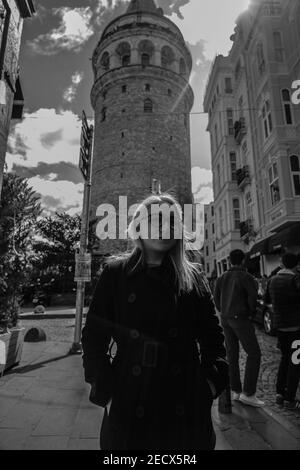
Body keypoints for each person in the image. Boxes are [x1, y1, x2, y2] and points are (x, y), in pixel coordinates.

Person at [81, 193, 228, 450]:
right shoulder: (116, 274)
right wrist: (106, 391)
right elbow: (94, 337)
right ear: (138, 226)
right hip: (128, 399)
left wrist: (209, 386)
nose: (164, 227)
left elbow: (214, 339)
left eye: (172, 221)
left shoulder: (193, 278)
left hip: (186, 402)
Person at [214, 249, 264, 407]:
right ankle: (248, 393)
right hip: (240, 318)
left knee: (232, 355)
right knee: (254, 353)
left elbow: (216, 299)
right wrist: (250, 313)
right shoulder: (246, 277)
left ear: (229, 261)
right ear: (243, 261)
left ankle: (235, 391)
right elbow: (253, 297)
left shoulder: (221, 277)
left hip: (226, 318)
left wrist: (223, 311)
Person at [264, 253, 300, 410]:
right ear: (295, 265)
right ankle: (290, 398)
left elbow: (267, 301)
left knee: (285, 358)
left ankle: (279, 392)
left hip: (280, 327)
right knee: (295, 362)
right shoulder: (295, 279)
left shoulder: (272, 280)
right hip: (295, 328)